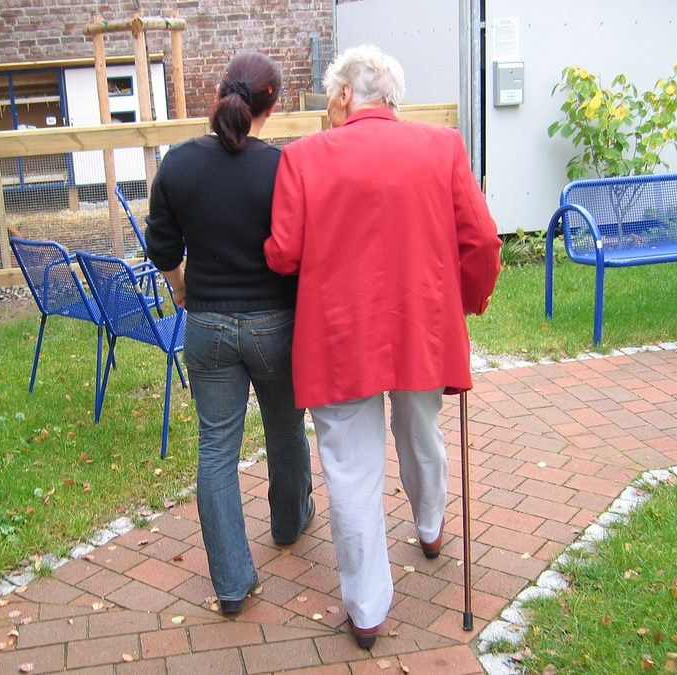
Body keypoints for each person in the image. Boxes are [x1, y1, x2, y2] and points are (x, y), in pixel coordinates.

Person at [264, 44, 502, 648]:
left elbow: (285, 253)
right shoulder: (442, 147)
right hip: (422, 328)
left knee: (350, 470)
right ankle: (429, 526)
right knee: (422, 431)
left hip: (340, 337)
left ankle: (367, 610)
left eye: (330, 96)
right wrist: (466, 301)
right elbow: (482, 240)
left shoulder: (302, 157)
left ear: (345, 95)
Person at [144, 50, 314, 616]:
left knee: (216, 450)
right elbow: (301, 249)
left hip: (208, 327)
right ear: (274, 103)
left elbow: (162, 249)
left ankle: (233, 584)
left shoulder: (178, 163)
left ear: (219, 93)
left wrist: (183, 287)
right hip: (276, 327)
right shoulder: (283, 167)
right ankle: (289, 525)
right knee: (286, 432)